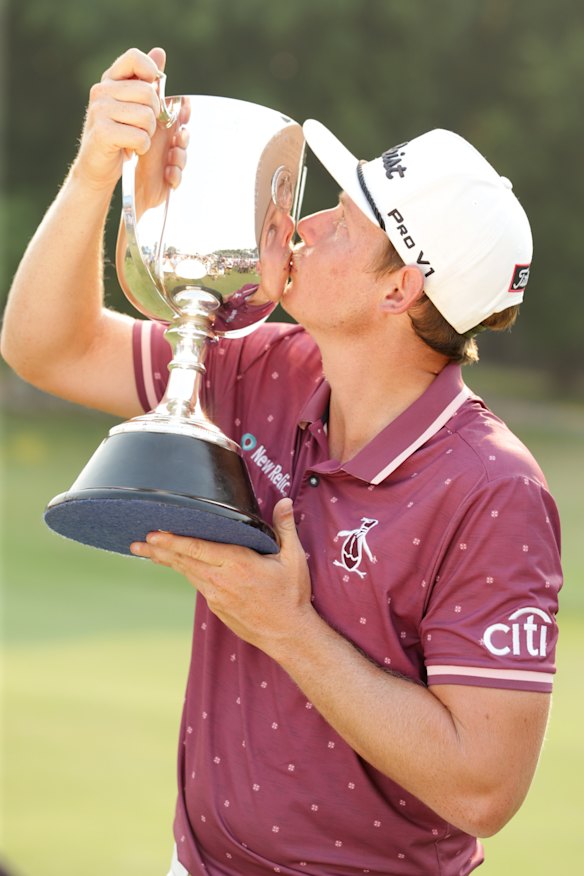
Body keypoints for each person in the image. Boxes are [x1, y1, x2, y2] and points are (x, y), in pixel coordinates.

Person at [1, 47, 562, 876]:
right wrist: (95, 174)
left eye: (341, 221)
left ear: (398, 290)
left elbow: (485, 789)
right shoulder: (267, 366)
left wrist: (285, 627)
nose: (303, 227)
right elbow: (48, 348)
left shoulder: (493, 489)